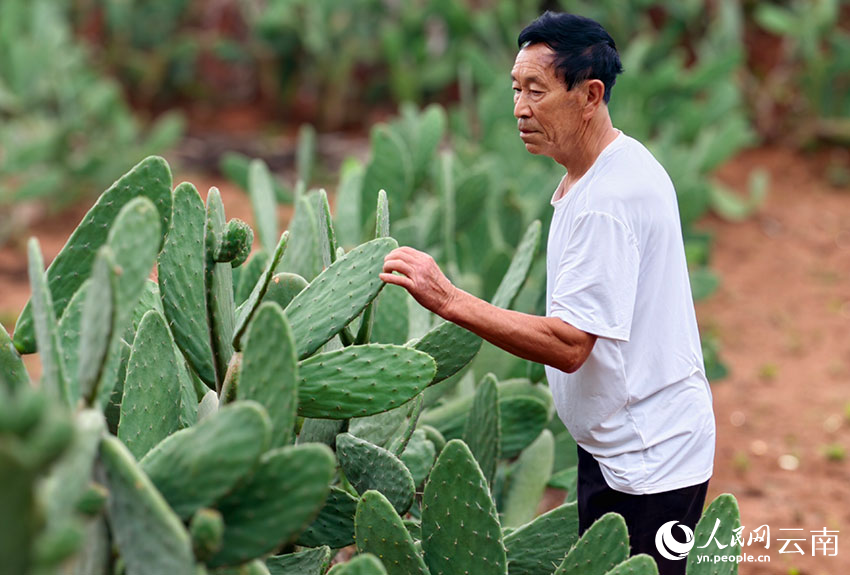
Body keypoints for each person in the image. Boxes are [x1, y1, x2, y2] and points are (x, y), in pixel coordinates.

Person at [380, 11, 715, 575]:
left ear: (590, 95)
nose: (519, 108)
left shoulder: (610, 199)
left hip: (648, 460)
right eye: (516, 89)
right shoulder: (600, 170)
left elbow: (569, 344)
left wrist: (448, 300)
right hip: (622, 445)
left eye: (537, 90)